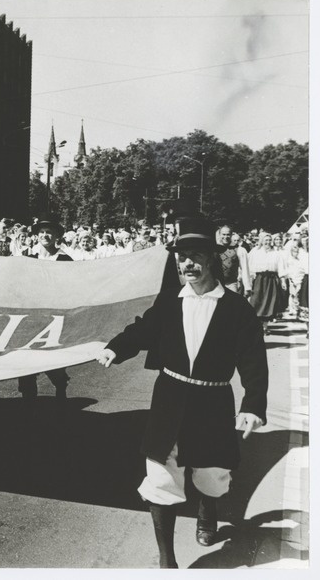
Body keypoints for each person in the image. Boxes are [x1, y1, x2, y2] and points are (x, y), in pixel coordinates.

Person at [95, 215, 267, 568]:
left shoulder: (238, 309)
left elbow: (253, 359)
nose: (187, 264)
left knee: (211, 475)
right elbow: (145, 328)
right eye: (181, 257)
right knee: (160, 475)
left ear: (212, 259)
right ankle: (167, 560)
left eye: (195, 256)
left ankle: (208, 510)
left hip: (213, 403)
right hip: (170, 400)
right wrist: (117, 347)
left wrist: (252, 404)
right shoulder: (171, 301)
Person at [18, 216, 72, 400]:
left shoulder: (65, 260)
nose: (45, 235)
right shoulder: (28, 258)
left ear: (57, 235)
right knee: (26, 363)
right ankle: (28, 404)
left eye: (49, 232)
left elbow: (72, 289)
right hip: (30, 318)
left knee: (53, 362)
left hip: (54, 317)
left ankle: (60, 387)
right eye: (41, 232)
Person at [248, 231, 287, 333]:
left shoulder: (276, 253)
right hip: (259, 279)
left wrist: (283, 281)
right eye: (266, 240)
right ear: (261, 241)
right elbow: (250, 266)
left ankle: (265, 327)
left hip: (271, 280)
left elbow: (280, 267)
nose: (268, 242)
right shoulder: (255, 251)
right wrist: (250, 281)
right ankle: (257, 325)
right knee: (256, 301)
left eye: (270, 240)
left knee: (270, 302)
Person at [217, 225, 251, 296]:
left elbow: (245, 269)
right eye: (223, 234)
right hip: (216, 284)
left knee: (232, 305)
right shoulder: (214, 249)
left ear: (231, 235)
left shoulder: (239, 250)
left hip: (231, 284)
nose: (225, 237)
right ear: (219, 235)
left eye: (228, 234)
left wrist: (247, 287)